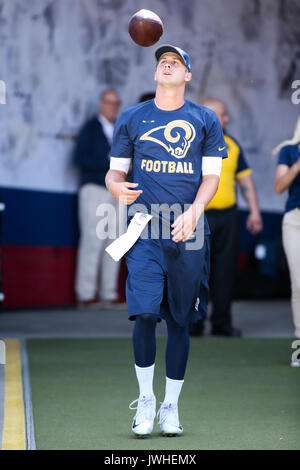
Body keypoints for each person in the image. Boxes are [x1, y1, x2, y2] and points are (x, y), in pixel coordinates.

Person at [105, 45, 227, 437]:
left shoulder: (205, 119)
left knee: (179, 321)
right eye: (162, 60)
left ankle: (170, 406)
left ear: (187, 75)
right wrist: (115, 189)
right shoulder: (132, 118)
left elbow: (211, 177)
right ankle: (145, 400)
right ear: (156, 72)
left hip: (189, 232)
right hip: (144, 230)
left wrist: (194, 212)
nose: (168, 63)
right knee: (144, 314)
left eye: (176, 61)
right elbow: (114, 174)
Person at [189, 98, 263, 338]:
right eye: (223, 115)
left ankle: (221, 323)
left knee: (225, 271)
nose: (227, 119)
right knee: (194, 271)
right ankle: (195, 323)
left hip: (228, 217)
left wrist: (254, 211)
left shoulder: (232, 145)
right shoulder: (188, 143)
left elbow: (245, 181)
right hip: (197, 215)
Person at [74, 89, 122, 308]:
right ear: (100, 104)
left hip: (119, 191)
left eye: (116, 103)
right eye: (108, 102)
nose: (112, 106)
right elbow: (79, 158)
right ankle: (86, 293)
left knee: (115, 241)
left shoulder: (121, 130)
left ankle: (108, 293)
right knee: (93, 241)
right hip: (95, 188)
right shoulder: (90, 128)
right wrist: (111, 165)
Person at [273, 115, 300, 367]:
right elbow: (279, 187)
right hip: (295, 220)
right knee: (298, 284)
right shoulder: (289, 151)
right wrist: (297, 165)